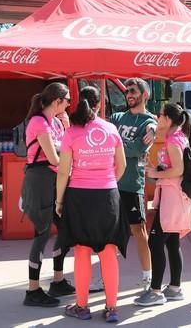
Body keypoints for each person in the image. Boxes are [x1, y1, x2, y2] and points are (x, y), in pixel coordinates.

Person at [56, 86, 128, 323]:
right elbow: (122, 165)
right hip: (108, 196)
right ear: (99, 105)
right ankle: (111, 308)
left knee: (82, 251)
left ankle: (82, 306)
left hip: (79, 196)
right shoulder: (111, 129)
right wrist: (107, 183)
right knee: (109, 252)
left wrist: (59, 200)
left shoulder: (71, 132)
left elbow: (64, 171)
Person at [20, 82, 74, 307]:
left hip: (55, 180)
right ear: (57, 101)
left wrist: (68, 126)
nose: (71, 104)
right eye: (68, 99)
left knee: (65, 230)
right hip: (40, 179)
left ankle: (58, 280)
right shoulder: (38, 122)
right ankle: (33, 290)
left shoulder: (58, 123)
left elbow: (68, 148)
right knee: (42, 233)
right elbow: (54, 158)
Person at [134, 103, 191, 306]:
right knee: (172, 242)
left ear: (168, 119)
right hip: (175, 197)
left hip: (172, 198)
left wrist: (155, 173)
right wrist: (157, 169)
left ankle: (156, 291)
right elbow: (174, 167)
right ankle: (175, 288)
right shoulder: (177, 137)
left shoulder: (174, 141)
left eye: (159, 116)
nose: (157, 118)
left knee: (156, 242)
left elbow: (178, 170)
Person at [110, 78, 157, 290]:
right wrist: (124, 145)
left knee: (139, 230)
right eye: (127, 91)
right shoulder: (117, 117)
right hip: (110, 184)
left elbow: (138, 150)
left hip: (132, 184)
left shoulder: (149, 122)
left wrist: (117, 144)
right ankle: (106, 276)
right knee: (108, 232)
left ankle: (148, 277)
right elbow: (108, 142)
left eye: (133, 91)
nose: (128, 94)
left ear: (144, 95)